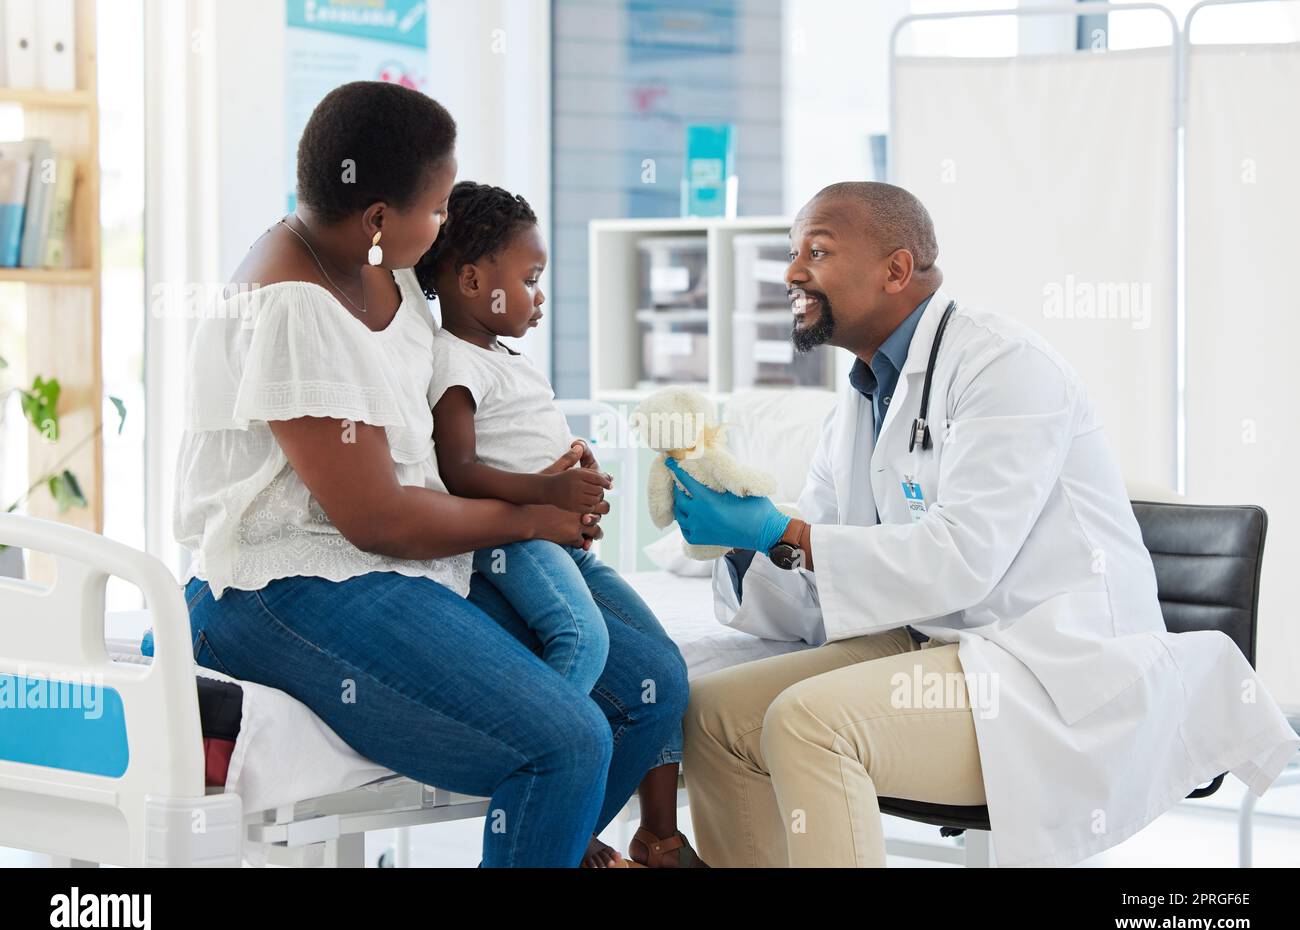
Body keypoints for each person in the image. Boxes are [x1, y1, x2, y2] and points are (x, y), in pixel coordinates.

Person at [672, 181, 1299, 867]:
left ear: (896, 269)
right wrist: (742, 543)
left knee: (809, 723)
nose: (792, 272)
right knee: (713, 713)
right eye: (793, 253)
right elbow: (817, 592)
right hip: (935, 644)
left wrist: (784, 533)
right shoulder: (856, 403)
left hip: (1048, 670)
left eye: (816, 251)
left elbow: (962, 557)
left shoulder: (1004, 366)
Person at [174, 81, 688, 867]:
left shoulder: (392, 267)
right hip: (282, 586)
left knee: (649, 685)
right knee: (567, 742)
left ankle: (558, 839)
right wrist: (535, 515)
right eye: (438, 206)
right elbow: (376, 519)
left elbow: (461, 389)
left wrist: (536, 467)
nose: (444, 222)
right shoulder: (293, 307)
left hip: (400, 561)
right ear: (379, 214)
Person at [414, 181, 705, 868]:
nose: (539, 296)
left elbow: (519, 438)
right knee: (581, 634)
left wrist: (572, 465)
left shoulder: (501, 356)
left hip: (558, 537)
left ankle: (656, 834)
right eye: (530, 279)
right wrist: (548, 491)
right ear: (471, 278)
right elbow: (459, 468)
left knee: (661, 655)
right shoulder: (452, 361)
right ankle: (550, 774)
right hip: (511, 541)